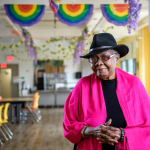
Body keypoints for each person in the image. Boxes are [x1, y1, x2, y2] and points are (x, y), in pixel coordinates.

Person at [63, 33, 150, 150]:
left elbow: (147, 126)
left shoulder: (134, 84)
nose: (98, 63)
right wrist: (90, 131)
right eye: (93, 59)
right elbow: (69, 124)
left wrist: (123, 135)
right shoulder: (82, 85)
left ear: (117, 58)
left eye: (105, 57)